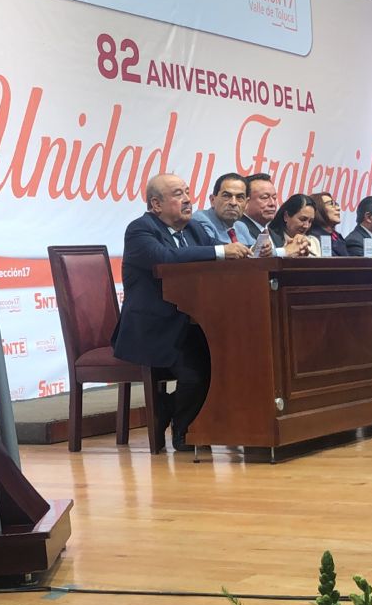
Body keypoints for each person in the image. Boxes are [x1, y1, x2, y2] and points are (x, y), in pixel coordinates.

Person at [113, 173, 248, 451]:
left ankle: (170, 409)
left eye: (187, 192)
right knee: (195, 373)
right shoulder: (140, 230)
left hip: (191, 323)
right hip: (153, 328)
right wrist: (221, 251)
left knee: (229, 360)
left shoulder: (194, 230)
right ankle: (184, 431)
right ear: (156, 204)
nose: (187, 199)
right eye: (178, 194)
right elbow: (166, 258)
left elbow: (219, 262)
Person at [240, 174, 311, 256]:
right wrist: (285, 251)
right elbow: (248, 258)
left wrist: (298, 250)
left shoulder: (275, 236)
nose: (272, 203)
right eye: (265, 197)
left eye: (274, 198)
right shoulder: (236, 228)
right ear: (246, 201)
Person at [190, 173, 255, 246]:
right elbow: (210, 248)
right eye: (226, 196)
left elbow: (255, 250)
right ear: (212, 200)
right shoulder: (200, 219)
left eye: (239, 197)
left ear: (246, 203)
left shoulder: (241, 226)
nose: (233, 203)